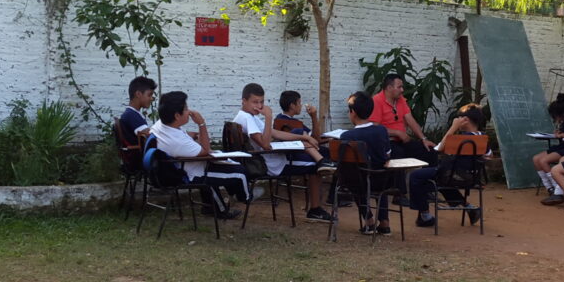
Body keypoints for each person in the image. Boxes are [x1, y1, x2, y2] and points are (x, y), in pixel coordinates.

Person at [232, 83, 333, 223]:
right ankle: (315, 210)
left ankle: (316, 206)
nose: (259, 106)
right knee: (315, 167)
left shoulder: (247, 116)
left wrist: (303, 137)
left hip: (273, 158)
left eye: (261, 102)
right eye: (255, 102)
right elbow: (266, 145)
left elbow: (275, 133)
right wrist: (268, 118)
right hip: (271, 164)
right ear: (244, 101)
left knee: (303, 142)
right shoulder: (247, 118)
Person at [150, 91, 254, 220]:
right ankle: (246, 198)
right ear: (177, 115)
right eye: (186, 108)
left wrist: (194, 135)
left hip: (178, 167)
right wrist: (201, 124)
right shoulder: (176, 141)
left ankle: (212, 208)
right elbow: (205, 150)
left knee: (225, 167)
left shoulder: (161, 126)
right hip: (189, 174)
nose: (189, 111)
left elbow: (184, 136)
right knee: (240, 172)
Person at [410, 103, 487, 227]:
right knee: (441, 178)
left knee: (416, 176)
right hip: (471, 177)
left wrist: (453, 127)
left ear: (465, 120)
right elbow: (488, 156)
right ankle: (469, 207)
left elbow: (439, 148)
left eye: (459, 118)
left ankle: (425, 215)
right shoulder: (483, 138)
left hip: (452, 175)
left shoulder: (460, 139)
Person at [340, 91, 394, 235]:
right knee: (381, 184)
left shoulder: (347, 136)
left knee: (354, 175)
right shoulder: (381, 130)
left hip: (359, 182)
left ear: (353, 113)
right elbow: (387, 155)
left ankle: (369, 221)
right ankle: (385, 223)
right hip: (380, 180)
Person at [368, 74, 438, 165]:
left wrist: (424, 139)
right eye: (399, 87)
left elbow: (410, 120)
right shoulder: (376, 101)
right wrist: (397, 132)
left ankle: (425, 178)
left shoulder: (400, 99)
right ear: (389, 88)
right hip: (387, 143)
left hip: (403, 141)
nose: (402, 90)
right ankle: (400, 179)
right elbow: (375, 127)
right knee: (399, 154)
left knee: (429, 150)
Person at [532, 93, 564, 195]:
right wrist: (558, 133)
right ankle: (549, 187)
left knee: (543, 161)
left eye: (555, 116)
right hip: (562, 146)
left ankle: (557, 186)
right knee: (536, 159)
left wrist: (562, 135)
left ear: (561, 113)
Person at [119, 76, 156, 141]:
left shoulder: (131, 113)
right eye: (149, 95)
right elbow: (151, 136)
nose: (151, 98)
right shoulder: (131, 115)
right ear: (138, 94)